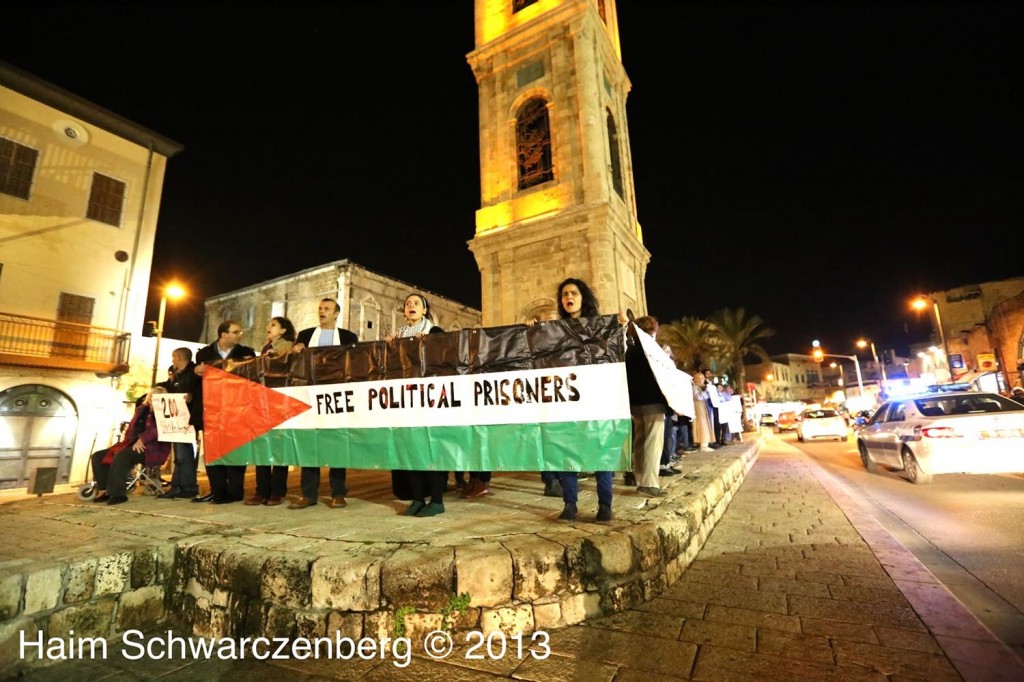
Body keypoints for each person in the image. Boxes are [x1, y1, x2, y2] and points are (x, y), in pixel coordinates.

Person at [549, 277, 624, 523]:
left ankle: (605, 505)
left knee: (601, 451)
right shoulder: (554, 330)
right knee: (566, 450)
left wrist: (622, 326)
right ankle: (570, 504)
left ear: (583, 297)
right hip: (567, 399)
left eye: (573, 293)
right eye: (564, 295)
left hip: (595, 398)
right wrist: (533, 332)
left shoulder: (599, 327)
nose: (568, 298)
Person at [289, 298, 359, 510]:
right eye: (320, 308)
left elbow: (354, 363)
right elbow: (296, 363)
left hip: (336, 397)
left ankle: (338, 493)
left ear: (336, 314)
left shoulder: (348, 337)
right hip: (310, 396)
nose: (322, 311)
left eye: (327, 309)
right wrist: (296, 348)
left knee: (337, 443)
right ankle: (308, 494)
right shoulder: (306, 335)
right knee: (310, 444)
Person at [387, 293, 449, 516]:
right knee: (410, 450)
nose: (410, 306)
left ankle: (437, 500)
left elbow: (445, 360)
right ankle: (417, 498)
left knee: (430, 451)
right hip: (406, 403)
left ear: (425, 310)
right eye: (407, 304)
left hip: (429, 403)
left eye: (416, 303)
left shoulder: (435, 332)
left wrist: (429, 344)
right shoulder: (397, 337)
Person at [192, 320, 257, 504]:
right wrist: (197, 371)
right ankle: (217, 491)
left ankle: (235, 491)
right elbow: (195, 382)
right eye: (236, 332)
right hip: (211, 410)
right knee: (213, 452)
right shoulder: (203, 354)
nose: (239, 335)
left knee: (235, 451)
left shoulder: (246, 353)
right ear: (223, 334)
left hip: (236, 411)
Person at [246, 316, 296, 506]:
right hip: (263, 402)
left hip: (279, 402)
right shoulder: (266, 347)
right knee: (262, 448)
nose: (269, 327)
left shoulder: (287, 345)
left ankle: (277, 491)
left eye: (273, 325)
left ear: (283, 330)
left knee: (278, 448)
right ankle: (261, 490)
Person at [91, 386, 171, 505]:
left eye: (157, 398)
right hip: (133, 444)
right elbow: (131, 430)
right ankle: (106, 490)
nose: (153, 401)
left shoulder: (167, 413)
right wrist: (127, 442)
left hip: (153, 449)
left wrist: (142, 439)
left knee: (122, 456)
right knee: (98, 456)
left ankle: (118, 494)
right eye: (152, 397)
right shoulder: (141, 410)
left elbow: (160, 430)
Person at [626, 316, 669, 497]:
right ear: (653, 330)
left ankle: (639, 478)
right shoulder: (653, 350)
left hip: (635, 403)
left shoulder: (630, 351)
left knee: (639, 440)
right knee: (653, 441)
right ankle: (650, 483)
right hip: (653, 402)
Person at [155, 348, 201, 500]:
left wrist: (191, 396)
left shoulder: (195, 373)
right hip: (177, 420)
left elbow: (198, 391)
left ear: (180, 357)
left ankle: (187, 487)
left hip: (188, 419)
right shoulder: (176, 375)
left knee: (184, 455)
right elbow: (168, 386)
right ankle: (178, 486)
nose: (172, 360)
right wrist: (157, 389)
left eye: (174, 357)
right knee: (179, 456)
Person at [691, 371, 715, 452]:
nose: (701, 380)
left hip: (706, 409)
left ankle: (706, 444)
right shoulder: (694, 387)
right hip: (699, 409)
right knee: (702, 425)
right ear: (695, 379)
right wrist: (706, 391)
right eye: (698, 378)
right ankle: (703, 445)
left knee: (707, 425)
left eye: (702, 378)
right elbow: (698, 397)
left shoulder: (704, 386)